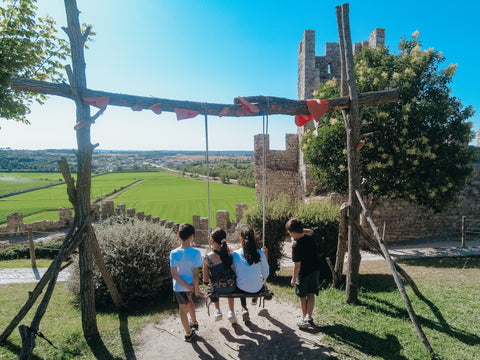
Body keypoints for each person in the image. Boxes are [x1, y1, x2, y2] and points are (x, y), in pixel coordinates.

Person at [169, 223, 204, 342]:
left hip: (179, 287)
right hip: (190, 285)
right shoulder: (196, 253)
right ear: (192, 236)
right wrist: (195, 288)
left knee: (182, 309)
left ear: (178, 236)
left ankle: (189, 333)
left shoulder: (173, 253)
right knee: (190, 301)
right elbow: (195, 275)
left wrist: (186, 286)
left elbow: (174, 274)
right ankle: (194, 322)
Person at [286, 218, 320, 329]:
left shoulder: (296, 246)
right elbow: (310, 230)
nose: (290, 235)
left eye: (290, 233)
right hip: (314, 271)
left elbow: (297, 265)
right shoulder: (311, 237)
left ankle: (304, 318)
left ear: (294, 233)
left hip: (303, 274)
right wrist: (300, 230)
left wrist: (293, 279)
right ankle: (308, 317)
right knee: (311, 294)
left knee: (302, 297)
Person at [232, 227, 269, 322]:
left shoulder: (235, 254)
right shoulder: (260, 254)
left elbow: (235, 272)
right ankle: (255, 297)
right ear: (254, 239)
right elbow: (266, 274)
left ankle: (244, 308)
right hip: (256, 288)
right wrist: (266, 256)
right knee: (257, 281)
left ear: (241, 239)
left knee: (241, 281)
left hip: (241, 287)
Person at [203, 228, 237, 323]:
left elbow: (205, 279)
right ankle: (231, 312)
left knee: (212, 284)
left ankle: (217, 311)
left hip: (217, 289)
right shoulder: (231, 253)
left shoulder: (207, 257)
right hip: (231, 287)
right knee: (229, 281)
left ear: (213, 240)